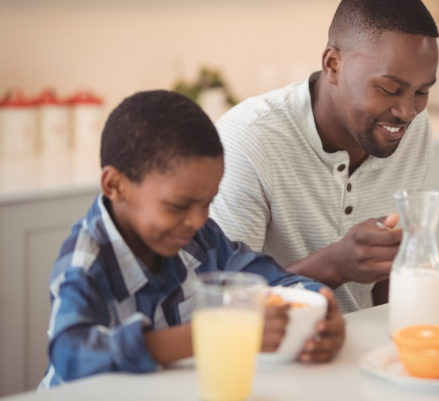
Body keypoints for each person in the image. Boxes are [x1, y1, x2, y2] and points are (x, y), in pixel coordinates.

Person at [39, 90, 345, 389]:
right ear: (115, 185)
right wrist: (209, 335)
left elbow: (269, 280)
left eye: (207, 203)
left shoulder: (199, 237)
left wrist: (319, 309)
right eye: (179, 206)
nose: (198, 220)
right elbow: (71, 354)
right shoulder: (85, 259)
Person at [210, 0, 439, 313]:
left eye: (421, 92)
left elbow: (388, 283)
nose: (407, 112)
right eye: (390, 89)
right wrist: (333, 266)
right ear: (333, 64)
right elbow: (222, 301)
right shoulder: (249, 139)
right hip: (269, 354)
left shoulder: (414, 131)